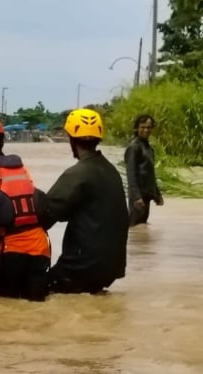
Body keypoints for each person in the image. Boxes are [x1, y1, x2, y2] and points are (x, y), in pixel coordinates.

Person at [0, 114, 51, 302]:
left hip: (11, 251)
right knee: (35, 307)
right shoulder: (20, 166)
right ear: (2, 141)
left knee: (7, 310)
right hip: (40, 248)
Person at [43, 108, 128, 294]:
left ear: (71, 139)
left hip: (80, 268)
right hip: (111, 268)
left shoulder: (78, 173)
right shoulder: (111, 171)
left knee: (33, 290)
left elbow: (46, 214)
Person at [124, 114, 163, 227]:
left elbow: (150, 174)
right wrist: (136, 197)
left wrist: (157, 195)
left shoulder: (149, 148)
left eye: (148, 127)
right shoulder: (134, 147)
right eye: (143, 127)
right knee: (134, 226)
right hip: (138, 197)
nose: (146, 130)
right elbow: (131, 174)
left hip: (146, 196)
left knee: (142, 227)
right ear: (137, 128)